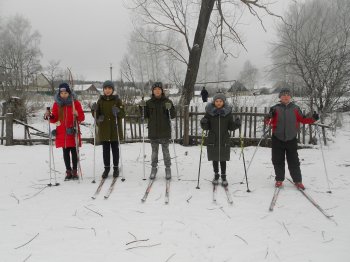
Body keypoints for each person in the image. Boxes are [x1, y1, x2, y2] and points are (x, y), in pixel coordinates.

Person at [265, 87, 319, 190]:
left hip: (291, 139)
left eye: (287, 95)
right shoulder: (275, 108)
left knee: (294, 161)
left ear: (290, 97)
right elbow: (268, 121)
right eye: (283, 95)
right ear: (280, 97)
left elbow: (303, 119)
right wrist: (268, 117)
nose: (285, 96)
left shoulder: (295, 108)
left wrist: (313, 118)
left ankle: (298, 181)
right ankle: (279, 180)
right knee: (277, 160)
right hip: (277, 138)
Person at [44, 83, 85, 180]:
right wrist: (49, 116)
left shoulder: (76, 103)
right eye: (61, 93)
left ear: (69, 93)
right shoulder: (57, 104)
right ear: (59, 93)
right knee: (65, 153)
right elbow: (54, 119)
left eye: (65, 92)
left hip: (73, 131)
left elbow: (82, 118)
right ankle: (68, 172)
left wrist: (77, 114)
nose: (63, 94)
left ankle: (75, 171)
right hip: (62, 132)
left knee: (74, 152)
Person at [200, 93, 241, 187]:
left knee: (223, 159)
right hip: (213, 139)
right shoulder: (209, 113)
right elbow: (206, 127)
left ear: (223, 102)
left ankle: (223, 176)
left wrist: (236, 124)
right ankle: (216, 175)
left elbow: (231, 127)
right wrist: (203, 123)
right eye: (217, 101)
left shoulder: (228, 114)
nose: (218, 103)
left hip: (224, 139)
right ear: (214, 102)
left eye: (220, 101)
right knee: (214, 158)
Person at [92, 80, 125, 179]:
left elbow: (123, 114)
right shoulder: (100, 100)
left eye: (109, 88)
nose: (107, 90)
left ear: (112, 90)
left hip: (115, 129)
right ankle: (106, 168)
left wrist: (118, 111)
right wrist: (94, 111)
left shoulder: (117, 100)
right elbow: (96, 115)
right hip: (104, 129)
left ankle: (115, 168)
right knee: (105, 150)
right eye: (105, 88)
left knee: (115, 149)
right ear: (103, 90)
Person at [144, 82, 176, 180]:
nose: (157, 91)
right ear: (153, 91)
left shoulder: (168, 101)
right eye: (155, 89)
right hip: (153, 131)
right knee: (154, 152)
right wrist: (141, 108)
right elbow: (145, 116)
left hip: (164, 131)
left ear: (162, 91)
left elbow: (173, 115)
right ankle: (154, 168)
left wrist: (169, 109)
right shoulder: (149, 103)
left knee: (166, 151)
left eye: (159, 89)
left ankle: (168, 168)